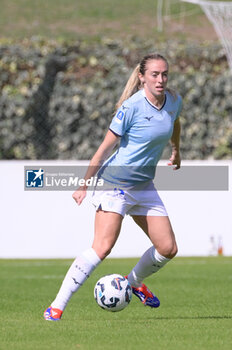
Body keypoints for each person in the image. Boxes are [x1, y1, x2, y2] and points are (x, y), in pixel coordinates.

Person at [44, 53, 182, 321]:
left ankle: (134, 282)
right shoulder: (130, 108)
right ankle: (56, 306)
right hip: (115, 184)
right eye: (154, 74)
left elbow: (174, 122)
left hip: (143, 185)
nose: (161, 79)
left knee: (168, 248)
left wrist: (176, 150)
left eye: (164, 74)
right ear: (142, 77)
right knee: (102, 248)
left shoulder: (174, 100)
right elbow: (102, 151)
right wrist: (83, 186)